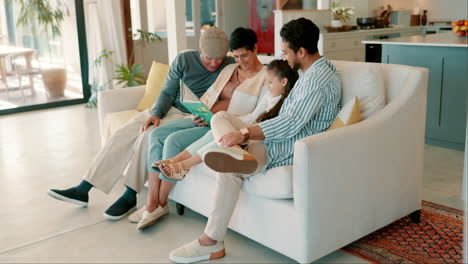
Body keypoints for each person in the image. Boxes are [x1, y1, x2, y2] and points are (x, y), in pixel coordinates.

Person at [168, 18, 343, 264]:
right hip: (272, 139)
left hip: (283, 147)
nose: (284, 57)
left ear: (301, 52)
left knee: (228, 168)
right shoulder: (313, 72)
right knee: (219, 119)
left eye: (286, 52)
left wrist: (245, 134)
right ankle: (236, 153)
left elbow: (291, 123)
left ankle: (211, 242)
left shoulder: (316, 80)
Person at [47, 27, 235, 220]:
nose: (214, 63)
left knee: (147, 136)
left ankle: (130, 195)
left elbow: (233, 96)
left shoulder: (230, 65)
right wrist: (156, 113)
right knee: (124, 133)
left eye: (219, 58)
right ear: (200, 50)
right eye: (209, 58)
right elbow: (167, 92)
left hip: (189, 116)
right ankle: (84, 188)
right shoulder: (184, 60)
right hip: (166, 108)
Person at [132, 27, 269, 230]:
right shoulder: (229, 69)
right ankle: (152, 201)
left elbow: (257, 115)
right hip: (203, 118)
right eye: (237, 56)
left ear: (255, 49)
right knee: (156, 134)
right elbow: (210, 96)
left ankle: (158, 204)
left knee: (172, 141)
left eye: (245, 55)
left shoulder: (265, 76)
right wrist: (198, 112)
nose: (241, 61)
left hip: (223, 126)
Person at [155, 59, 299, 181]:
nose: (268, 86)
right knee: (219, 118)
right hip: (247, 133)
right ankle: (177, 160)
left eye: (270, 82)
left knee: (219, 136)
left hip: (258, 141)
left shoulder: (287, 104)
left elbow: (269, 130)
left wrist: (241, 133)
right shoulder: (269, 96)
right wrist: (231, 124)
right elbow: (252, 117)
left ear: (284, 82)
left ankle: (183, 165)